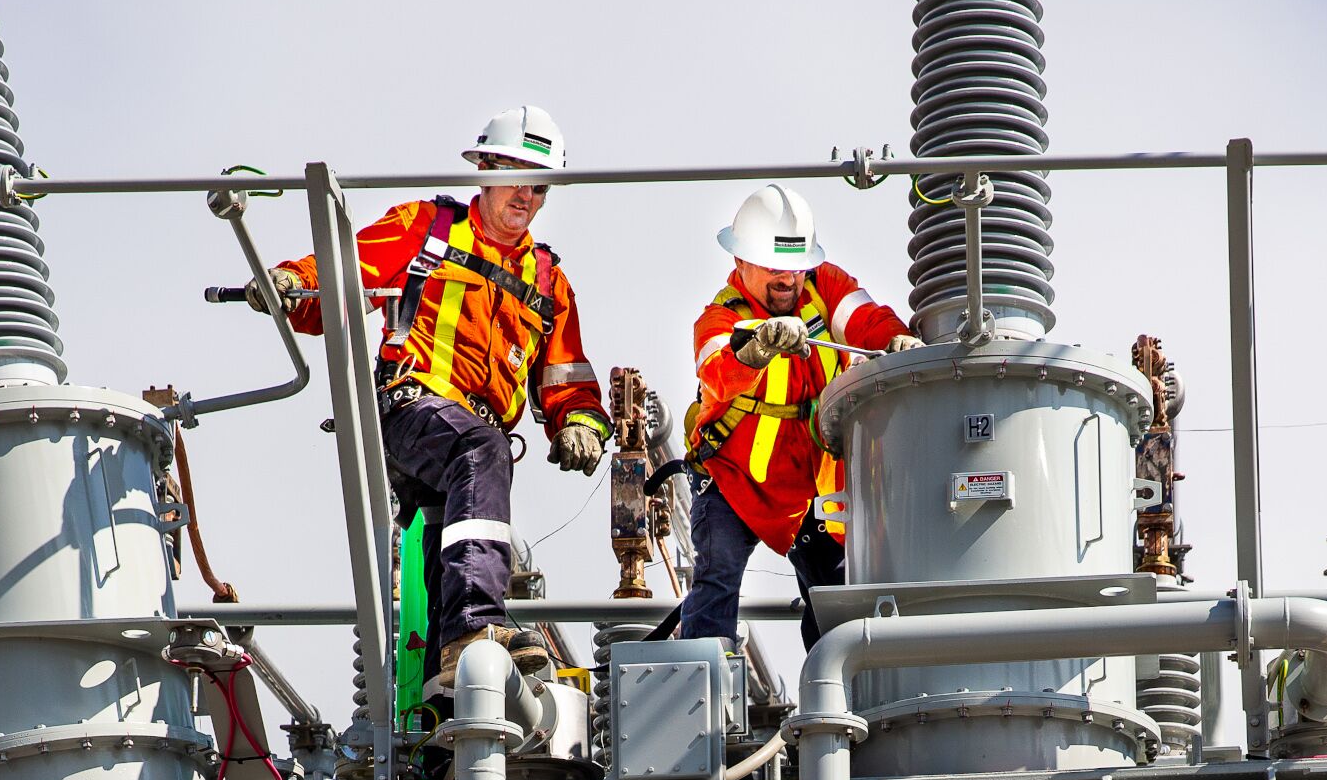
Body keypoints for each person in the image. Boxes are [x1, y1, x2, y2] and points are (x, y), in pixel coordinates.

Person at [251, 105, 612, 687]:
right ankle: (475, 631)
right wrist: (294, 283)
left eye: (540, 185)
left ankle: (451, 681)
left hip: (464, 446)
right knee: (482, 452)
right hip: (413, 408)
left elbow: (565, 378)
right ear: (485, 169)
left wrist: (583, 422)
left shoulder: (549, 283)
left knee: (449, 547)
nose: (526, 196)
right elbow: (345, 275)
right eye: (516, 176)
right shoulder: (429, 229)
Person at [683, 184, 921, 649]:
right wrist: (759, 345)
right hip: (734, 483)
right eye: (774, 267)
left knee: (833, 603)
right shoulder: (720, 318)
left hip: (809, 492)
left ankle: (833, 701)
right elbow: (718, 368)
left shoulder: (825, 286)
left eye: (795, 267)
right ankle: (701, 688)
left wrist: (895, 339)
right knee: (717, 585)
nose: (788, 279)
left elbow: (867, 318)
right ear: (741, 263)